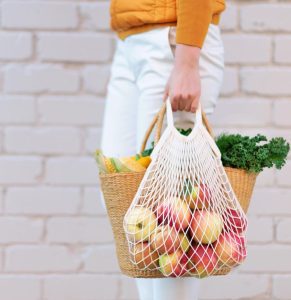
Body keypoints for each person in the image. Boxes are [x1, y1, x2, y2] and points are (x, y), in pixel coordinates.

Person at [100, 0, 226, 299]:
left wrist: (187, 62)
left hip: (173, 43)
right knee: (124, 195)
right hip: (131, 40)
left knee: (172, 213)